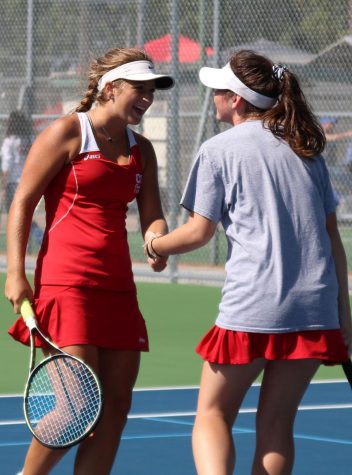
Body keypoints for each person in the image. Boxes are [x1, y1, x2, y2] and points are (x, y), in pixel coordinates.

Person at [144, 50, 352, 475]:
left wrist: (156, 246)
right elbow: (332, 239)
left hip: (255, 305)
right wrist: (343, 313)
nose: (214, 97)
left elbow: (198, 233)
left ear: (235, 100)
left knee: (212, 416)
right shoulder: (306, 149)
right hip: (315, 308)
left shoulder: (219, 150)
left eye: (218, 90)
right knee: (277, 426)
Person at [5, 47, 173, 475]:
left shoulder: (143, 151)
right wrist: (15, 272)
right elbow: (22, 202)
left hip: (118, 289)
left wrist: (157, 242)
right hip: (67, 285)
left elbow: (151, 214)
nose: (147, 97)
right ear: (111, 86)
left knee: (115, 410)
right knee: (79, 405)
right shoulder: (67, 132)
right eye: (140, 88)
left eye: (152, 90)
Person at [1, 110, 43, 246]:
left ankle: (39, 241)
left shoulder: (9, 142)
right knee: (25, 216)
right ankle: (39, 239)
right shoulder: (31, 138)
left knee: (15, 217)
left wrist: (3, 185)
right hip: (30, 182)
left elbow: (7, 165)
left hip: (13, 183)